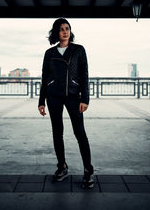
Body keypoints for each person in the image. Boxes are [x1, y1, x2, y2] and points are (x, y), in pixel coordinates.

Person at [38, 17, 94, 189]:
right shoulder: (50, 53)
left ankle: (88, 170)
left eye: (67, 28)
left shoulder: (78, 50)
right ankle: (62, 166)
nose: (65, 31)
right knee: (57, 133)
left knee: (80, 133)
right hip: (53, 97)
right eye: (61, 29)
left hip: (73, 97)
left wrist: (85, 98)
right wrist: (41, 101)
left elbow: (84, 75)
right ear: (57, 32)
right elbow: (44, 77)